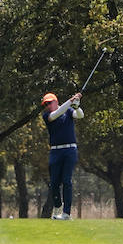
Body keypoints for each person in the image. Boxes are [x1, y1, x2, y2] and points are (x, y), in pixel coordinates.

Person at [41, 90, 84, 220]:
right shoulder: (47, 115)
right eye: (45, 104)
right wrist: (71, 101)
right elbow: (57, 114)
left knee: (67, 181)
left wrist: (76, 105)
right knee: (54, 183)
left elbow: (80, 115)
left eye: (49, 103)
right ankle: (58, 207)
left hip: (70, 150)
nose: (47, 106)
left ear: (56, 101)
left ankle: (66, 213)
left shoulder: (69, 111)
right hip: (55, 151)